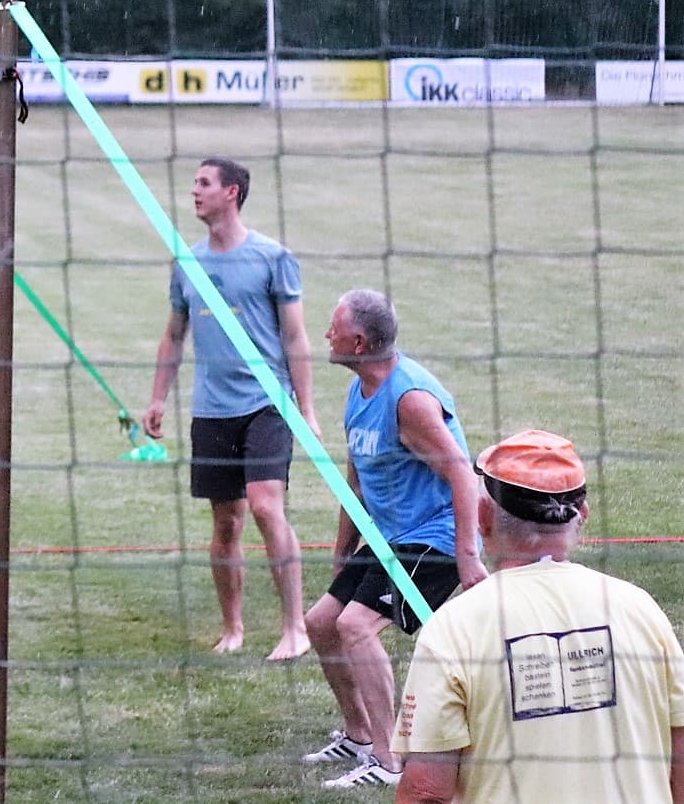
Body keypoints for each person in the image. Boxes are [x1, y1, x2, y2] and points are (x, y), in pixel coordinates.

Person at [392, 429, 684, 804]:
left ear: (482, 518)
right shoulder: (639, 609)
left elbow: (425, 791)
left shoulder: (453, 629)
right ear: (582, 517)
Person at [302, 288, 486, 790]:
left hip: (436, 536)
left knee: (356, 627)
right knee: (320, 622)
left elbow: (463, 477)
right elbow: (357, 476)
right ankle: (358, 737)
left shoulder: (409, 400)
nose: (326, 334)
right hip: (389, 538)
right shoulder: (360, 389)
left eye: (334, 327)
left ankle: (389, 762)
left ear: (358, 342)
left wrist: (468, 558)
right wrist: (343, 547)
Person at [142, 155, 319, 661]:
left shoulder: (272, 257)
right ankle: (233, 628)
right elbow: (174, 336)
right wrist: (158, 398)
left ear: (232, 193)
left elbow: (295, 336)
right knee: (226, 525)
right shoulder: (187, 261)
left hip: (266, 403)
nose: (194, 191)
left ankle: (295, 628)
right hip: (212, 411)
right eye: (194, 183)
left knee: (265, 506)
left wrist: (306, 410)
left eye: (204, 183)